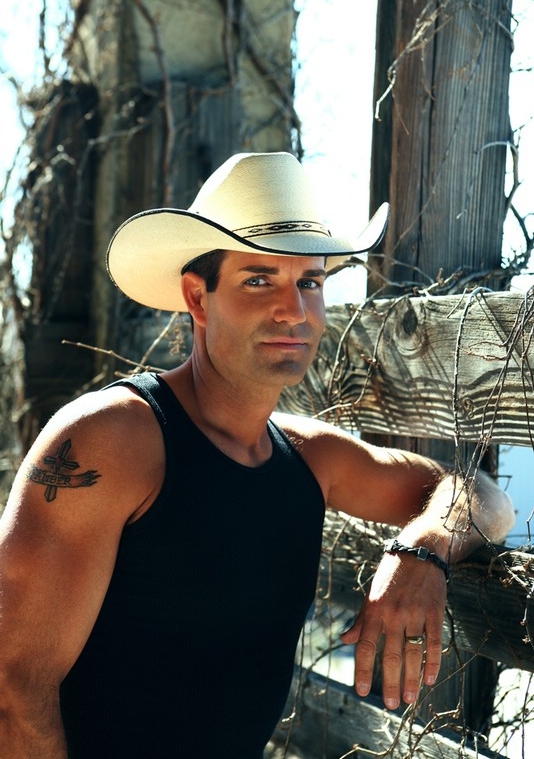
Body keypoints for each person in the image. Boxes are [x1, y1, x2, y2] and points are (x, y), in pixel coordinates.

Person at [0, 151, 514, 759]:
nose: (293, 310)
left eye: (309, 282)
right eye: (258, 279)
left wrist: (423, 550)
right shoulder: (113, 439)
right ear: (198, 297)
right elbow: (12, 689)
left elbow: (484, 496)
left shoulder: (310, 459)